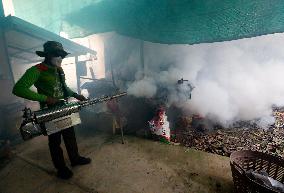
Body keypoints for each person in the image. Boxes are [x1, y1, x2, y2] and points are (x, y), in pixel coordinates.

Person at [12, 41, 91, 179]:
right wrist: (44, 98)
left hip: (64, 108)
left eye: (62, 55)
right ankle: (61, 168)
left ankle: (75, 159)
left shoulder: (59, 70)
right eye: (56, 55)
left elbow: (64, 88)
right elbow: (18, 89)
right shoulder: (37, 70)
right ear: (47, 55)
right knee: (55, 141)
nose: (60, 58)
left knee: (70, 135)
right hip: (49, 112)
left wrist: (75, 95)